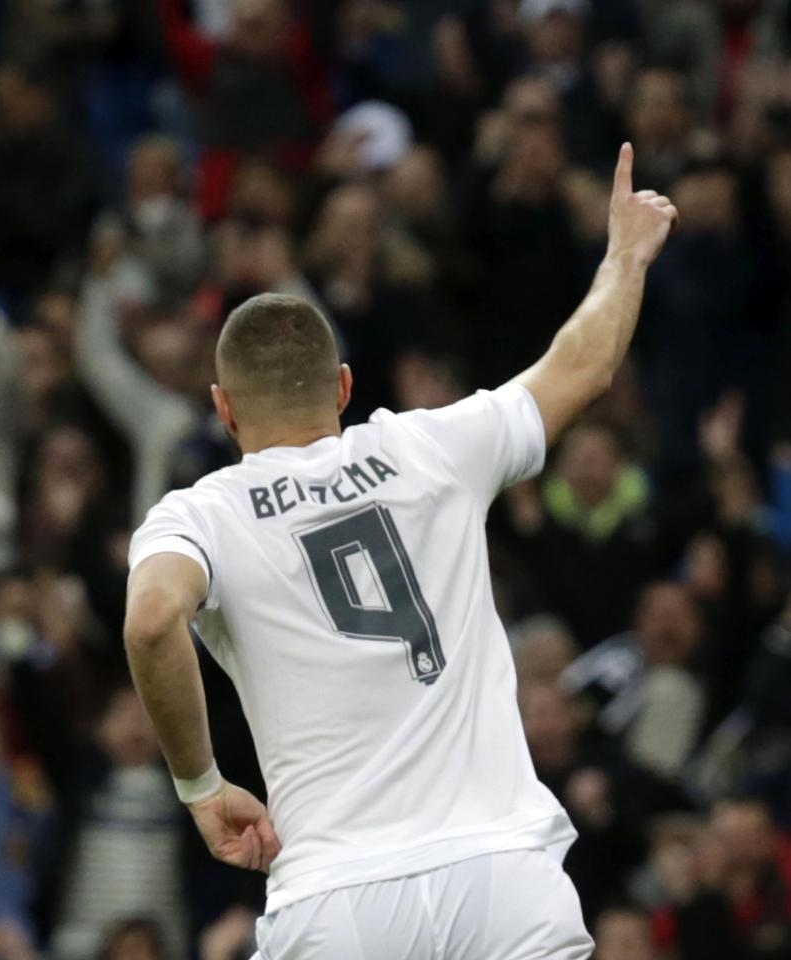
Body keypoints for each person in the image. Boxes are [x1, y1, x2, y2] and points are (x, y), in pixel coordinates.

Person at [119, 143, 677, 956]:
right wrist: (626, 254)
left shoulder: (200, 515)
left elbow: (148, 622)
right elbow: (581, 364)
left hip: (337, 900)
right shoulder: (436, 447)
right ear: (343, 387)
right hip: (502, 877)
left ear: (223, 409)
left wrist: (200, 785)